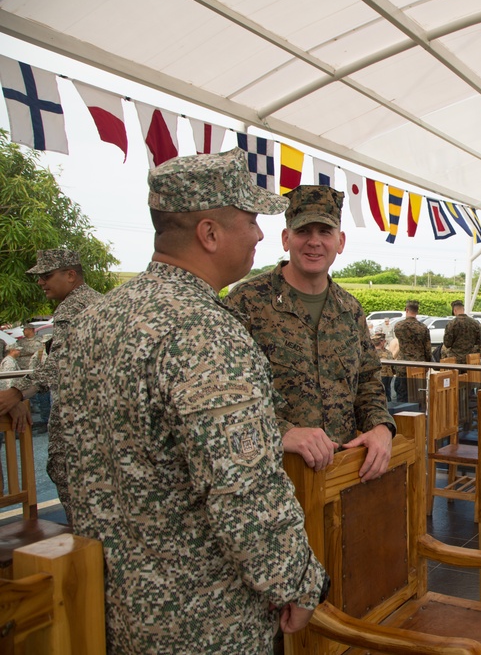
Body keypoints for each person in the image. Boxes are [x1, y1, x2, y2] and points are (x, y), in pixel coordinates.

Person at [58, 149, 329, 653]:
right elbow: (243, 489)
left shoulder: (95, 319)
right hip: (206, 620)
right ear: (209, 233)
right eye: (250, 219)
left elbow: (64, 462)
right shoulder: (204, 331)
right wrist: (296, 581)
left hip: (112, 606)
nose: (259, 234)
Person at [227, 185, 395, 477]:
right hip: (269, 479)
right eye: (304, 231)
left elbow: (367, 381)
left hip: (340, 476)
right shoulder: (247, 302)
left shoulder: (349, 309)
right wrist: (282, 432)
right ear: (286, 238)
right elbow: (225, 395)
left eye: (325, 232)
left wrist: (381, 426)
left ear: (340, 242)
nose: (314, 242)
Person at [0, 249, 103, 522]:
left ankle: (84, 552)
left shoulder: (72, 308)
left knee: (65, 472)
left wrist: (17, 391)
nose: (40, 282)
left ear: (70, 275)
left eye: (46, 275)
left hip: (78, 414)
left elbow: (62, 363)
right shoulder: (100, 301)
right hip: (102, 412)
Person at [393, 300, 433, 401]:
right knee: (418, 395)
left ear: (406, 310)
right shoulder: (423, 328)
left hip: (403, 365)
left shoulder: (398, 326)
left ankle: (402, 415)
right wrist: (427, 363)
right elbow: (427, 349)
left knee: (402, 395)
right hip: (418, 366)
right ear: (417, 311)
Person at [373, 331, 395, 400]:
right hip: (385, 377)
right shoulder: (387, 353)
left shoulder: (371, 353)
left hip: (375, 378)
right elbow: (393, 366)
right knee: (387, 396)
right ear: (382, 342)